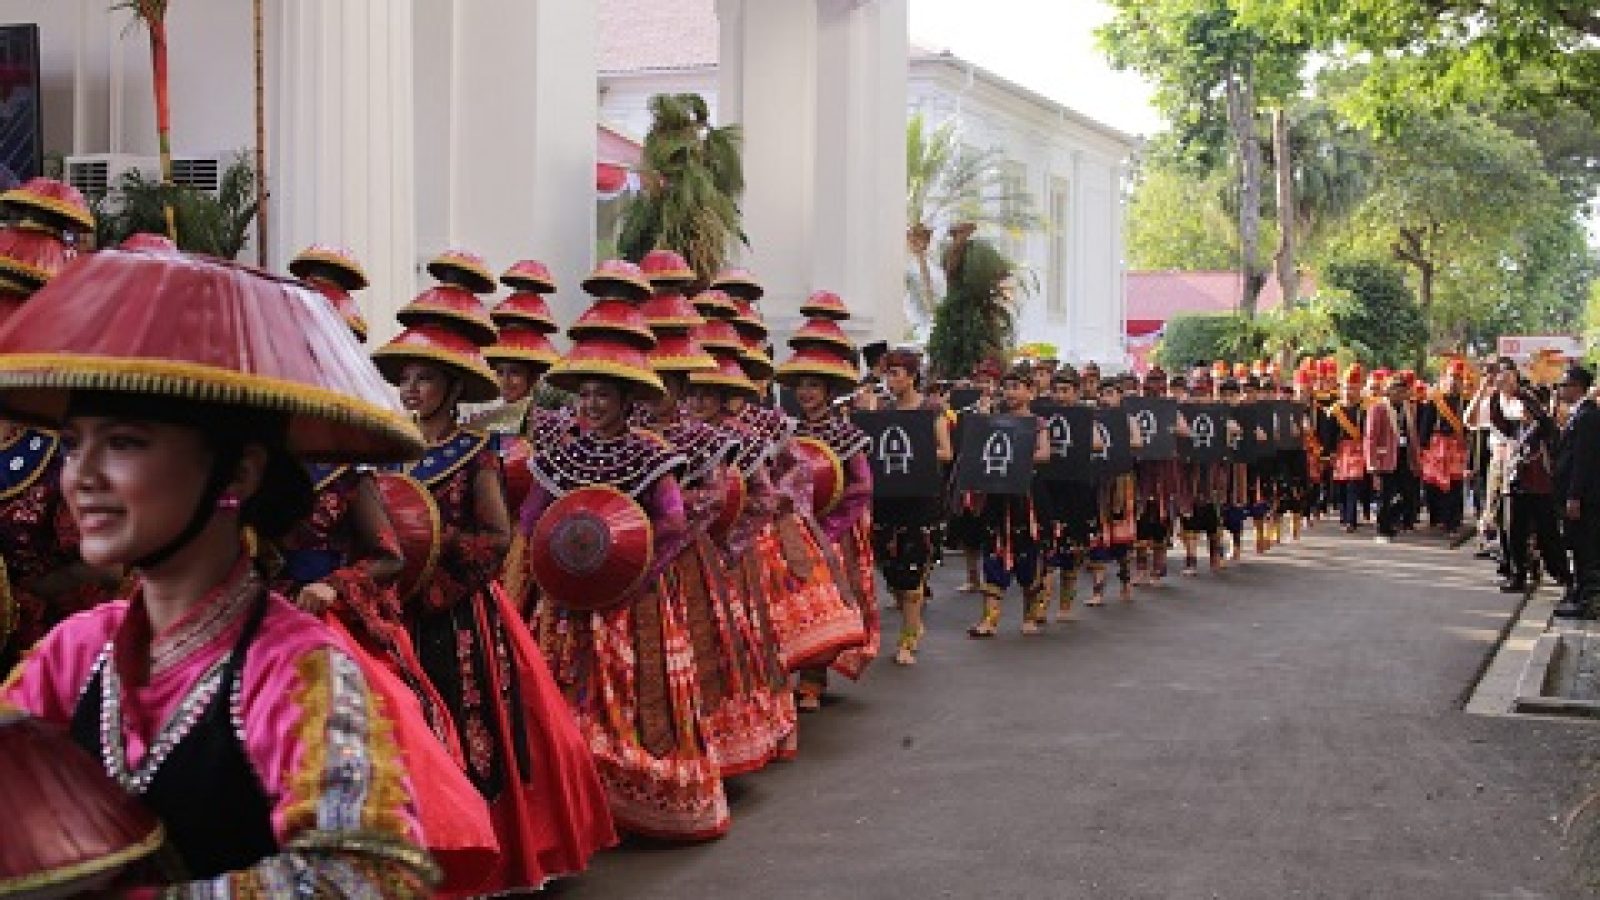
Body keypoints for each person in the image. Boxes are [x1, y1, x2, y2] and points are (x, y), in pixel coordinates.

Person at [0, 250, 438, 895]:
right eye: (72, 444)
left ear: (238, 472)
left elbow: (362, 875)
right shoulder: (72, 652)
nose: (80, 476)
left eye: (123, 442)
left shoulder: (298, 672)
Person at [375, 250, 616, 887]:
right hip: (398, 613)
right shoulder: (390, 450)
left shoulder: (476, 451)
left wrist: (437, 574)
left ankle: (489, 848)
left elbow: (496, 536)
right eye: (407, 378)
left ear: (454, 388)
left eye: (426, 379)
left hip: (459, 615)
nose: (412, 390)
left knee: (477, 727)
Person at [524, 260, 728, 841]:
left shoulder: (652, 455)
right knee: (566, 695)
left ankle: (637, 792)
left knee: (638, 693)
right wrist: (558, 562)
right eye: (585, 394)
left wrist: (630, 570)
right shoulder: (558, 456)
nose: (590, 405)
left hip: (635, 599)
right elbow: (532, 519)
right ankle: (578, 803)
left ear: (625, 399)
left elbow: (672, 522)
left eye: (603, 395)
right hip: (567, 601)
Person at [859, 347, 952, 665]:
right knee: (890, 569)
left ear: (911, 376)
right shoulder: (883, 409)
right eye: (887, 373)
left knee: (913, 572)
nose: (890, 380)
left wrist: (918, 451)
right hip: (886, 500)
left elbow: (946, 452)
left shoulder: (931, 410)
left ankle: (908, 639)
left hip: (919, 501)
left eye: (895, 373)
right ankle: (911, 619)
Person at [968, 368, 1053, 635]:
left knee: (1029, 552)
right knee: (993, 550)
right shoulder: (994, 420)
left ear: (1030, 392)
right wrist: (982, 420)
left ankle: (1029, 616)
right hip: (997, 494)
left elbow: (1045, 453)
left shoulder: (1038, 423)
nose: (1010, 392)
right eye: (1007, 387)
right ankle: (989, 620)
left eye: (1016, 387)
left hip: (1027, 496)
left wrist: (1018, 457)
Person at [1491, 383, 1570, 594]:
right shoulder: (1516, 427)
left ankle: (1563, 574)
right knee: (1514, 533)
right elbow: (1496, 419)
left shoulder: (1545, 427)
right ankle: (1517, 575)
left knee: (1548, 535)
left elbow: (1541, 417)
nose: (1523, 410)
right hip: (1517, 485)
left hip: (1540, 488)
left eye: (1527, 407)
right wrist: (1496, 391)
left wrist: (1523, 394)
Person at [1554, 364, 1599, 618]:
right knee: (1577, 547)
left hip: (1584, 497)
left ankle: (1588, 600)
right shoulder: (1578, 414)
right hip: (1574, 493)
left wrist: (1574, 495)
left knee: (1586, 548)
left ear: (1577, 387)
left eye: (1565, 385)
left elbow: (1583, 460)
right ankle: (1580, 594)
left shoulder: (1587, 416)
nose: (1561, 390)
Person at [1365, 376, 1420, 544]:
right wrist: (1372, 462)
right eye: (1397, 390)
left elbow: (1412, 435)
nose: (1400, 393)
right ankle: (1382, 530)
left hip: (1404, 457)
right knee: (1385, 496)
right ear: (1388, 391)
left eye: (1403, 390)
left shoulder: (1408, 408)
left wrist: (1416, 457)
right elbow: (1370, 437)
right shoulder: (1378, 408)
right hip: (1385, 458)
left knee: (1408, 494)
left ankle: (1393, 521)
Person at [1418, 359, 1470, 536]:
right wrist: (1423, 447)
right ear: (1445, 378)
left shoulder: (1467, 401)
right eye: (1452, 377)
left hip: (1456, 447)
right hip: (1436, 446)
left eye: (1458, 378)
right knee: (1433, 484)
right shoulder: (1435, 400)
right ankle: (1436, 517)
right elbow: (1426, 425)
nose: (1454, 381)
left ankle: (1452, 521)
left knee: (1455, 484)